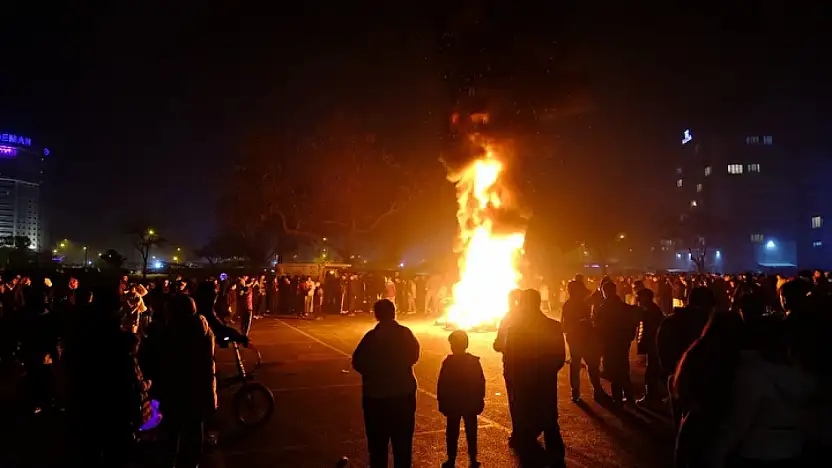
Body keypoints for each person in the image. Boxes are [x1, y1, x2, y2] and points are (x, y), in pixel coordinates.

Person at [495, 289, 567, 467]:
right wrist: (548, 372)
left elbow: (508, 354)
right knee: (549, 417)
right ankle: (555, 455)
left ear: (524, 304)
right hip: (545, 380)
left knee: (524, 414)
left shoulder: (514, 329)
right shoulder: (553, 325)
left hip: (522, 380)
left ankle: (526, 444)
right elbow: (559, 357)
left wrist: (513, 376)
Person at [352, 299, 420, 468]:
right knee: (402, 445)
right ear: (394, 312)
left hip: (376, 399)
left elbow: (357, 362)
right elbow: (414, 356)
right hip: (402, 397)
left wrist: (374, 373)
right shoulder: (405, 333)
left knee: (377, 447)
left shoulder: (371, 337)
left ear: (377, 315)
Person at [437, 330, 485, 468]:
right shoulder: (473, 362)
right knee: (471, 431)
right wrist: (480, 399)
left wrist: (442, 402)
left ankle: (451, 459)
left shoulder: (448, 362)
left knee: (452, 432)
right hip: (469, 403)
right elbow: (481, 382)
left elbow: (442, 384)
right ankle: (473, 458)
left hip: (453, 404)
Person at [561, 280, 603, 402]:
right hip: (578, 338)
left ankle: (590, 390)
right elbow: (566, 325)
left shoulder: (577, 303)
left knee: (584, 364)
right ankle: (581, 392)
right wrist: (581, 322)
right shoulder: (571, 304)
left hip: (581, 338)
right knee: (583, 364)